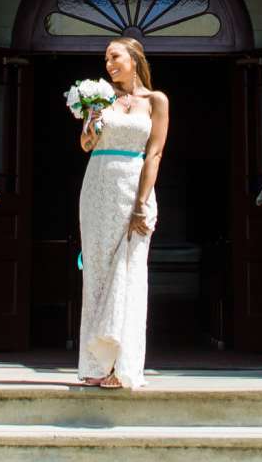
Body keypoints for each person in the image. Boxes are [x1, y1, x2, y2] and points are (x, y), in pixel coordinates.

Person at [76, 37, 169, 389]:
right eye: (105, 59)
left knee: (129, 275)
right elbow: (86, 144)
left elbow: (155, 154)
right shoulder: (102, 98)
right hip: (97, 188)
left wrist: (141, 203)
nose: (109, 64)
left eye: (114, 57)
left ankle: (123, 366)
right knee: (97, 275)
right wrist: (92, 122)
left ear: (134, 58)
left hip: (133, 188)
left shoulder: (156, 101)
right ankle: (95, 365)